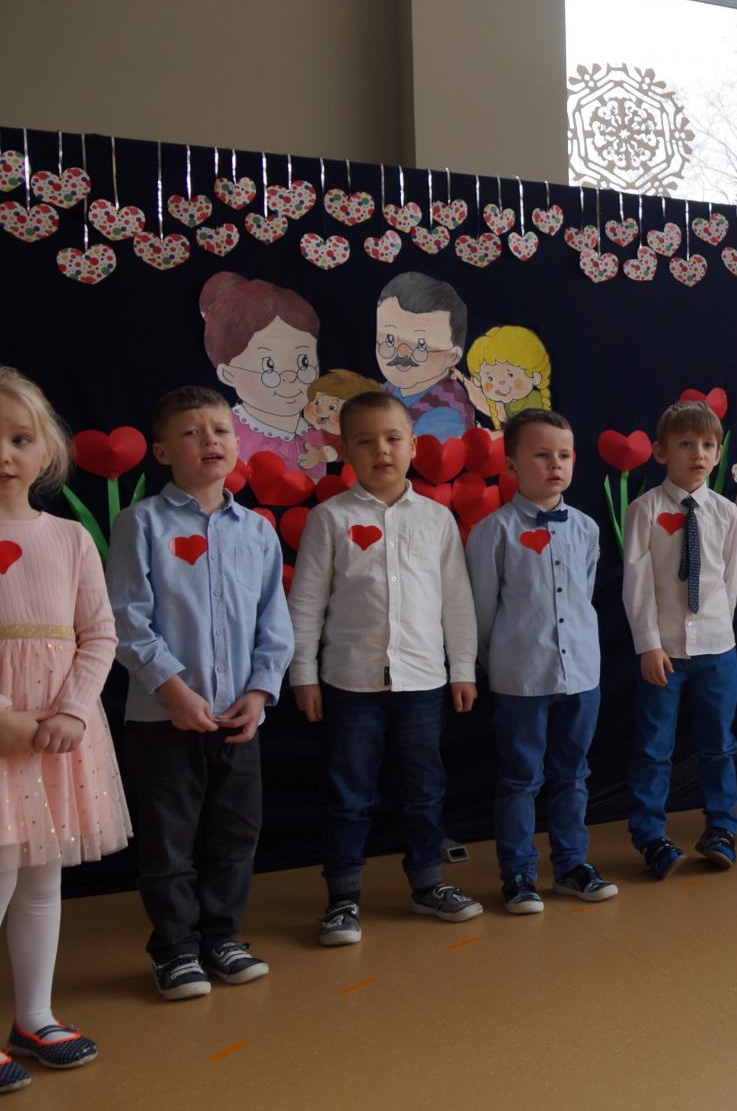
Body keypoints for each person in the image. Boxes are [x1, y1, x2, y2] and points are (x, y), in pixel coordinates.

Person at [106, 388, 292, 1000]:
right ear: (162, 451)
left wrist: (260, 693)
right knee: (169, 840)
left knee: (235, 836)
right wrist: (175, 691)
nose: (210, 441)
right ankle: (176, 950)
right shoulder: (141, 524)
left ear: (237, 443)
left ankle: (223, 939)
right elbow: (127, 619)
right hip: (164, 719)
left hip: (239, 718)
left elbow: (274, 621)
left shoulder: (258, 531)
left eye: (220, 430)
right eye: (191, 432)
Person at [287, 390, 483, 945]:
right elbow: (306, 603)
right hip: (350, 683)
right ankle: (343, 899)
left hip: (422, 682)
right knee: (349, 794)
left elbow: (456, 601)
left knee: (424, 790)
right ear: (345, 450)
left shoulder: (437, 519)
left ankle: (427, 883)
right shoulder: (330, 519)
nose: (381, 451)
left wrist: (462, 668)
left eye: (393, 439)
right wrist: (303, 674)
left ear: (413, 445)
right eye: (365, 441)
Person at [0, 368, 132, 1090]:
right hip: (3, 733)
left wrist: (73, 710)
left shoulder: (71, 537)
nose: (5, 455)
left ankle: (34, 1016)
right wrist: (5, 718)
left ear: (45, 450)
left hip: (57, 734)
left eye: (19, 439)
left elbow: (98, 634)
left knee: (40, 881)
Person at [465, 408, 616, 915]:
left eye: (564, 455)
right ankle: (519, 875)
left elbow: (583, 596)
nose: (556, 465)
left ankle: (572, 865)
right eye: (542, 455)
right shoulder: (493, 532)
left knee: (573, 775)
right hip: (521, 679)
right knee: (520, 779)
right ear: (511, 466)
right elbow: (482, 612)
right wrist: (501, 663)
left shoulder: (587, 529)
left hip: (581, 676)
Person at [622, 399, 737, 876]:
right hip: (665, 651)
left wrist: (722, 631)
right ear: (661, 452)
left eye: (708, 445)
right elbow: (636, 585)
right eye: (686, 444)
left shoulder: (727, 513)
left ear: (718, 454)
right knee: (655, 748)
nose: (698, 454)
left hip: (718, 649)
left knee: (719, 745)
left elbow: (730, 580)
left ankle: (721, 828)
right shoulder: (644, 510)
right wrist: (648, 644)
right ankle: (650, 835)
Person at [199, 272, 326, 479]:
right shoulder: (226, 432)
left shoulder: (314, 430)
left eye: (304, 362)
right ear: (228, 374)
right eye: (269, 366)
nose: (290, 377)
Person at [373, 272, 475, 443]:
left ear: (452, 356)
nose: (402, 353)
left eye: (421, 344)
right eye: (389, 338)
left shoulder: (446, 415)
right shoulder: (389, 388)